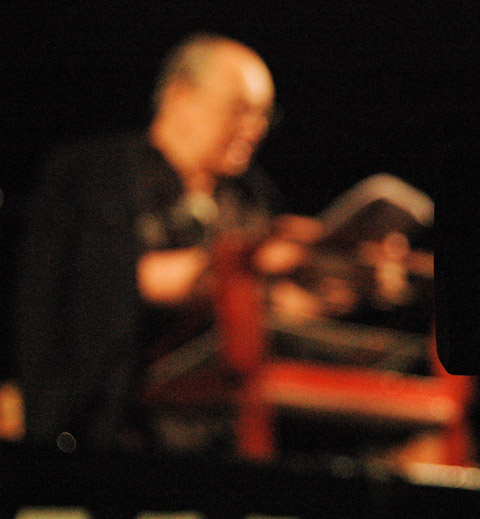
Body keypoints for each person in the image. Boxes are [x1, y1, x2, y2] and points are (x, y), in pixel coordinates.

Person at [13, 34, 316, 452]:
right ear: (180, 95)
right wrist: (242, 267)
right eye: (239, 109)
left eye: (263, 116)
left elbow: (277, 305)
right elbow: (111, 284)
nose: (253, 129)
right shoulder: (96, 174)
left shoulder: (250, 198)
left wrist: (333, 278)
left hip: (222, 437)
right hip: (109, 433)